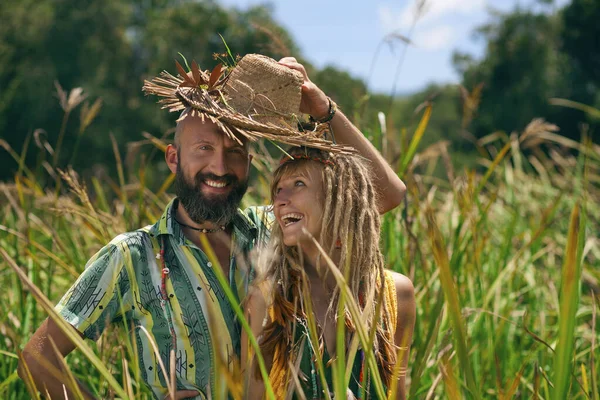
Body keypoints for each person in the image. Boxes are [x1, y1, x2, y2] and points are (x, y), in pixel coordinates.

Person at [18, 54, 406, 399]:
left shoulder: (272, 229)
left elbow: (383, 196)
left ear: (250, 161)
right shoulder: (131, 257)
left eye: (235, 152)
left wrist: (322, 108)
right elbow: (37, 360)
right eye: (204, 149)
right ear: (173, 158)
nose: (220, 168)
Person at [245, 146, 415, 400]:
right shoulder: (270, 300)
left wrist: (326, 111)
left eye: (298, 183)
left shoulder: (393, 294)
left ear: (340, 199)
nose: (280, 200)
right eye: (278, 189)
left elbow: (397, 394)